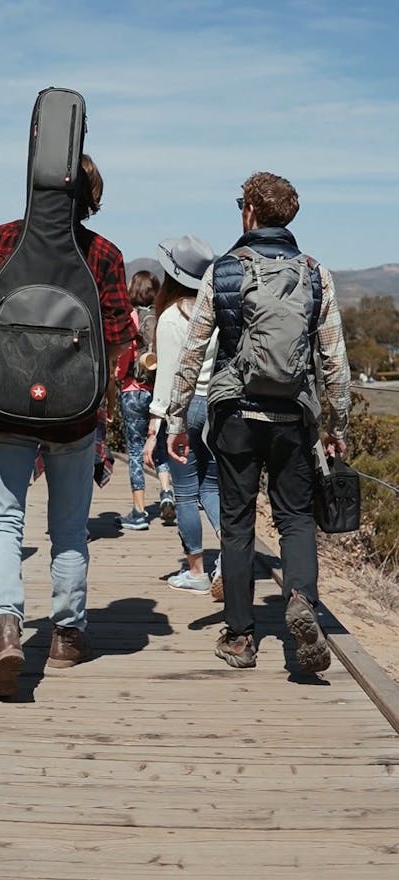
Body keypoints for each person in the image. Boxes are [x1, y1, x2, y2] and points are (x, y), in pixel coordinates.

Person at [0, 153, 136, 696]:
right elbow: (121, 338)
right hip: (74, 416)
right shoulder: (102, 254)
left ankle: (5, 626)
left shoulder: (2, 240)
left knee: (3, 521)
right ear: (89, 198)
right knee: (69, 527)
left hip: (4, 406)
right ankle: (67, 636)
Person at [166, 173, 351, 671]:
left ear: (248, 211)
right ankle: (301, 601)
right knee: (294, 518)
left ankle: (241, 637)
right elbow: (334, 360)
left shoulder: (224, 271)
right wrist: (338, 429)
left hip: (235, 416)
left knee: (238, 522)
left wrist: (177, 419)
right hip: (293, 416)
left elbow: (193, 351)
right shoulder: (316, 274)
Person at [144, 235, 223, 597]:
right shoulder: (218, 312)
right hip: (216, 406)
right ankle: (231, 557)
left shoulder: (171, 317)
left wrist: (155, 426)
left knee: (186, 491)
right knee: (212, 486)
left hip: (184, 408)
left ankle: (196, 570)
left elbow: (169, 376)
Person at [114, 270, 175, 530]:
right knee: (160, 444)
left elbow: (123, 358)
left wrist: (117, 376)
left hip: (132, 390)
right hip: (158, 391)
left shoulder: (132, 319)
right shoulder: (162, 318)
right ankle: (166, 493)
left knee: (136, 450)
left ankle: (139, 512)